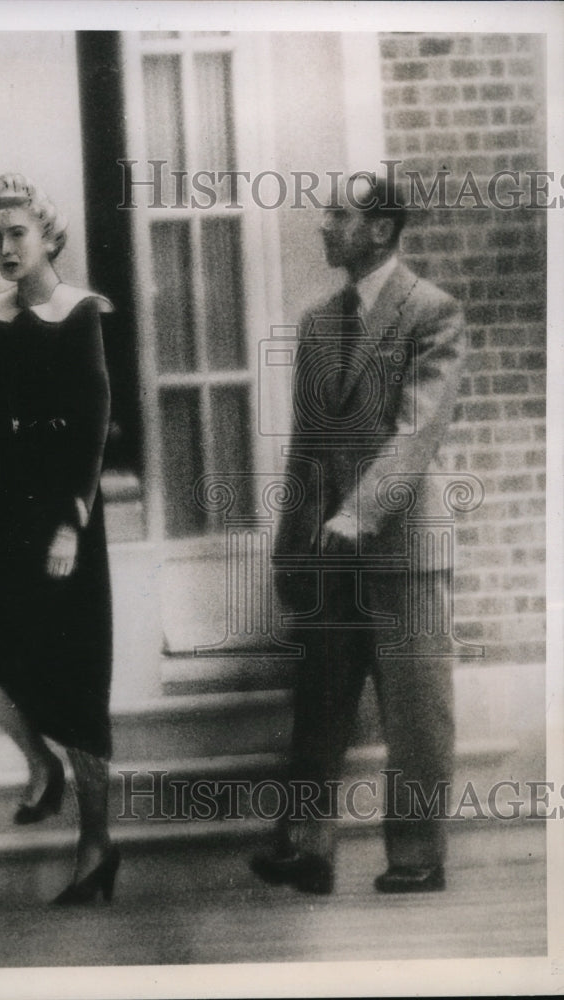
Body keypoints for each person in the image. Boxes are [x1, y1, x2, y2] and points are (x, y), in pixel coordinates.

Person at [251, 172, 467, 895]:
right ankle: (306, 848)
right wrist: (292, 547)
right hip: (330, 552)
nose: (322, 225)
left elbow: (415, 433)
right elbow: (307, 448)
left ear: (379, 229)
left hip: (402, 548)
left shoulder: (431, 312)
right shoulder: (315, 323)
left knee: (414, 710)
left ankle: (415, 856)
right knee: (319, 702)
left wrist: (356, 514)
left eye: (337, 214)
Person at [0, 173, 119, 905]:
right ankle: (41, 766)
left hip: (63, 520)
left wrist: (70, 522)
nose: (5, 248)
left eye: (18, 234)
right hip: (3, 513)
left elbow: (93, 423)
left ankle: (96, 846)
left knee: (72, 679)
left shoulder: (79, 313)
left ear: (47, 237)